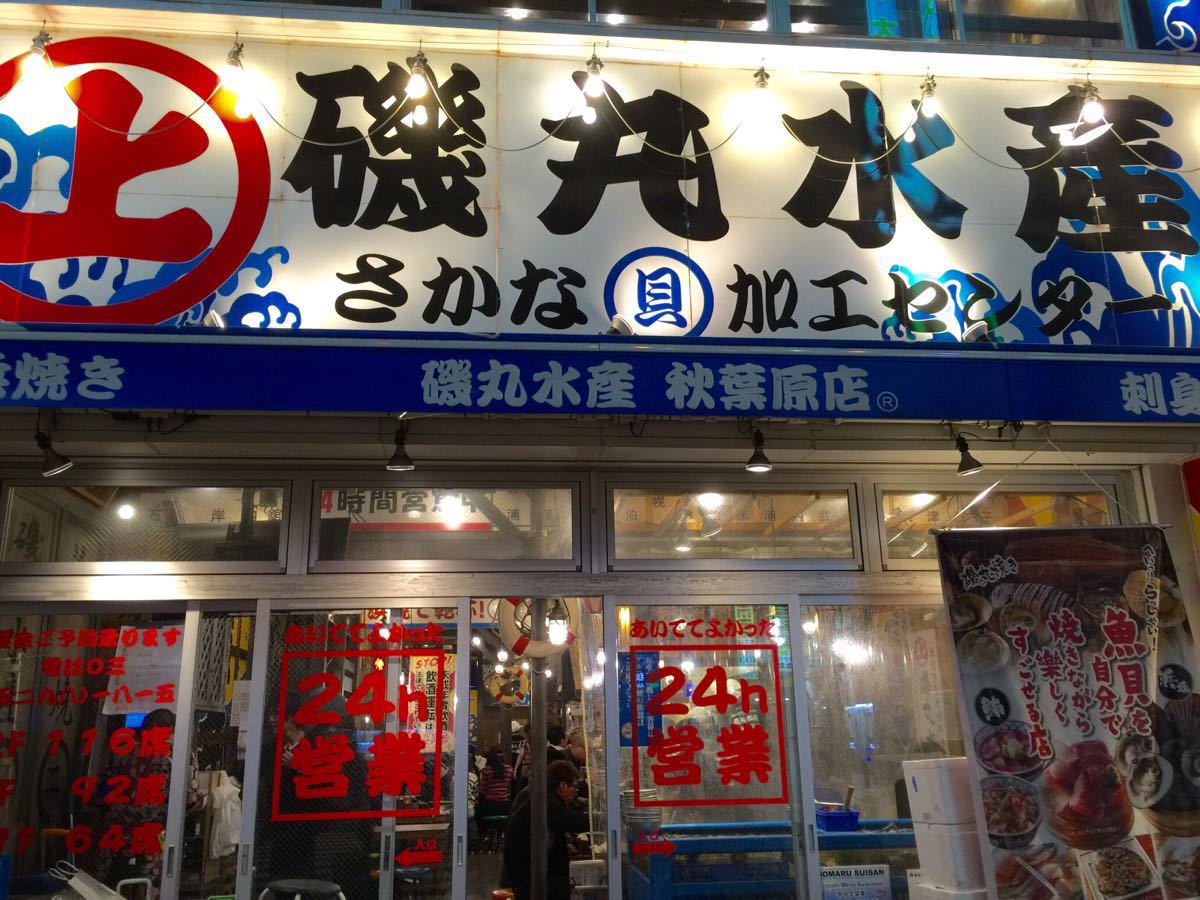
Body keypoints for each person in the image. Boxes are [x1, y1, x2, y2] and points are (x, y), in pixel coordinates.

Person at [502, 759, 590, 900]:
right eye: (574, 787)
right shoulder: (547, 803)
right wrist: (600, 818)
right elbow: (574, 821)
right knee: (583, 886)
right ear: (563, 786)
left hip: (525, 876)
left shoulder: (542, 798)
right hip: (528, 883)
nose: (575, 793)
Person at [477, 748, 513, 826]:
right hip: (504, 806)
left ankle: (484, 832)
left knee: (477, 814)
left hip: (490, 806)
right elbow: (508, 790)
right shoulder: (509, 769)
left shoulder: (486, 770)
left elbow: (483, 791)